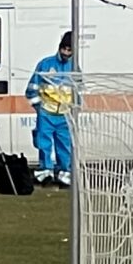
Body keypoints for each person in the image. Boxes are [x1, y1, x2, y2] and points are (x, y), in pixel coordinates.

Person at [28, 31, 77, 187]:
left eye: (69, 50)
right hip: (46, 114)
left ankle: (65, 175)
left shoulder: (75, 68)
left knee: (65, 146)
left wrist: (74, 111)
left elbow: (78, 92)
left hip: (64, 115)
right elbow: (32, 88)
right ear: (60, 47)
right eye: (64, 49)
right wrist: (39, 108)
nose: (66, 53)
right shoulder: (45, 64)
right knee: (44, 145)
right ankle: (45, 173)